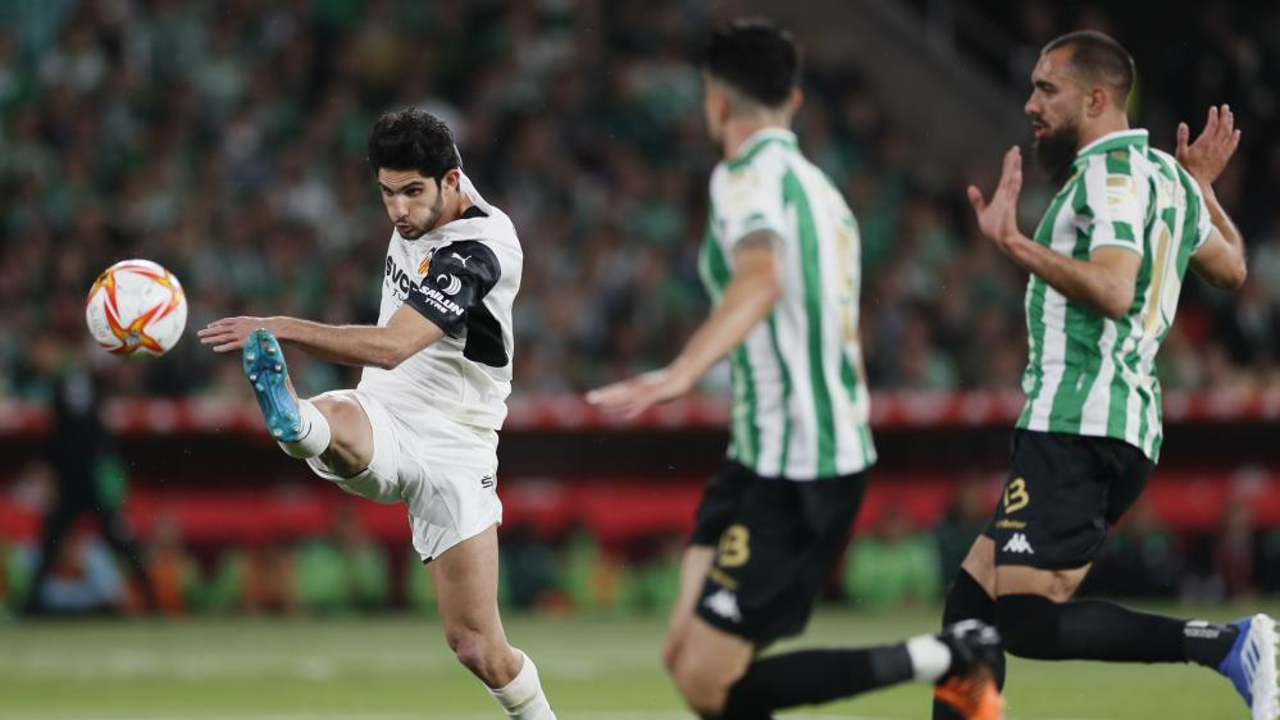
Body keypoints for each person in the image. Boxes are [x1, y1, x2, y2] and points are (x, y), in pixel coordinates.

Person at [588, 18, 1002, 720]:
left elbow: (761, 278)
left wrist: (681, 371)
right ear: (796, 100)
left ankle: (951, 656)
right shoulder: (825, 195)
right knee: (685, 659)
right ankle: (951, 657)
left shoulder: (741, 178)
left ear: (717, 101)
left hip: (799, 464)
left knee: (707, 681)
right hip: (763, 453)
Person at [934, 29, 1275, 720]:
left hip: (1078, 420)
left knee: (1026, 620)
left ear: (1095, 99)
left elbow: (1116, 289)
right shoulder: (1166, 177)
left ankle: (1226, 644)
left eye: (1046, 89)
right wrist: (1203, 191)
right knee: (972, 601)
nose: (1031, 103)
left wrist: (1015, 243)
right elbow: (1233, 267)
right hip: (1111, 421)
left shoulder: (1107, 178)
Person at [198, 108, 556, 720]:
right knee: (335, 415)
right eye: (387, 192)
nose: (397, 210)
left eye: (411, 192)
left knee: (477, 647)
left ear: (451, 181)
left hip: (458, 441)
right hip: (387, 408)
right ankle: (297, 423)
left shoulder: (479, 250)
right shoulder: (429, 198)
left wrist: (281, 326)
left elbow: (392, 347)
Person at [23, 331, 158, 616]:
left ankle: (151, 598)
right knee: (74, 541)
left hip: (84, 479)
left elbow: (68, 434)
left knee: (62, 540)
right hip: (82, 478)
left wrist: (49, 464)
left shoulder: (70, 381)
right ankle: (152, 600)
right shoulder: (76, 381)